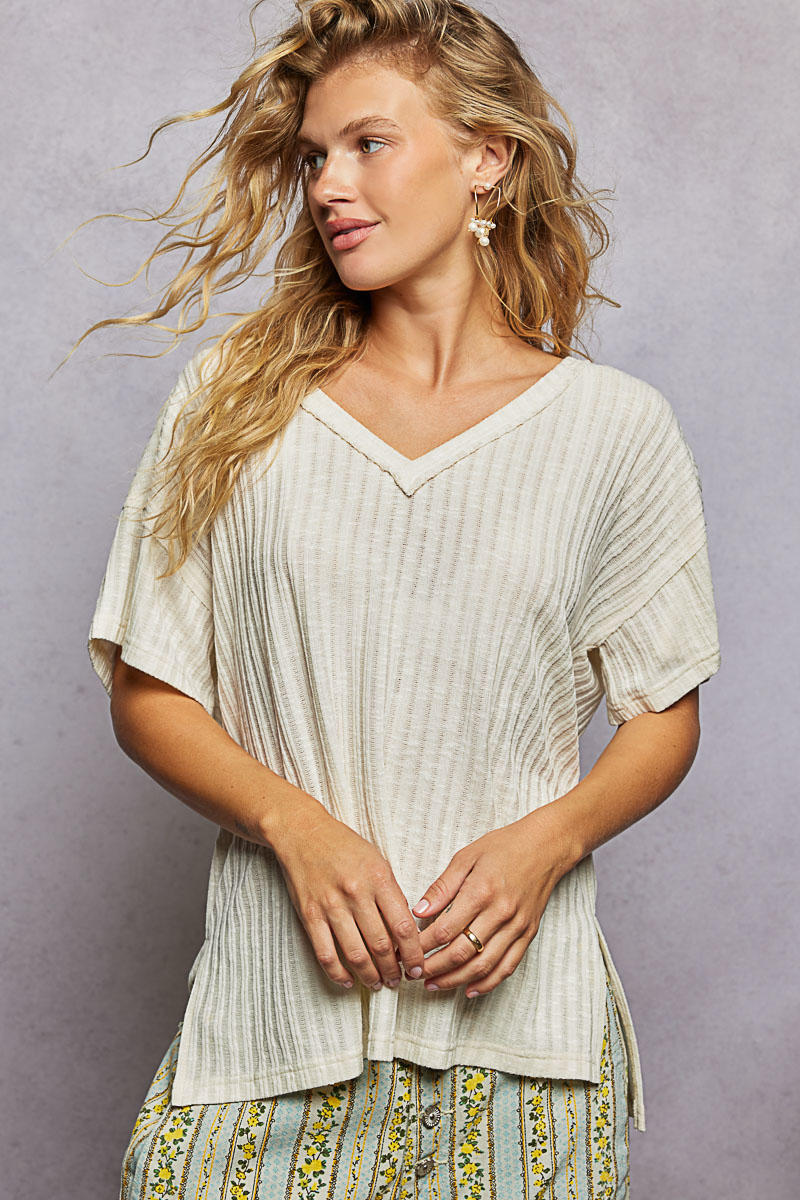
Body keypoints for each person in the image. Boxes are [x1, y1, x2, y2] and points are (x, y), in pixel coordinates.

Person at [83, 2, 721, 1196]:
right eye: (313, 157)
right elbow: (148, 687)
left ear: (486, 158)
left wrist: (548, 841)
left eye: (368, 144)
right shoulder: (236, 405)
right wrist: (293, 825)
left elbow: (661, 713)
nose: (329, 185)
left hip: (522, 1046)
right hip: (270, 1030)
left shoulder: (611, 431)